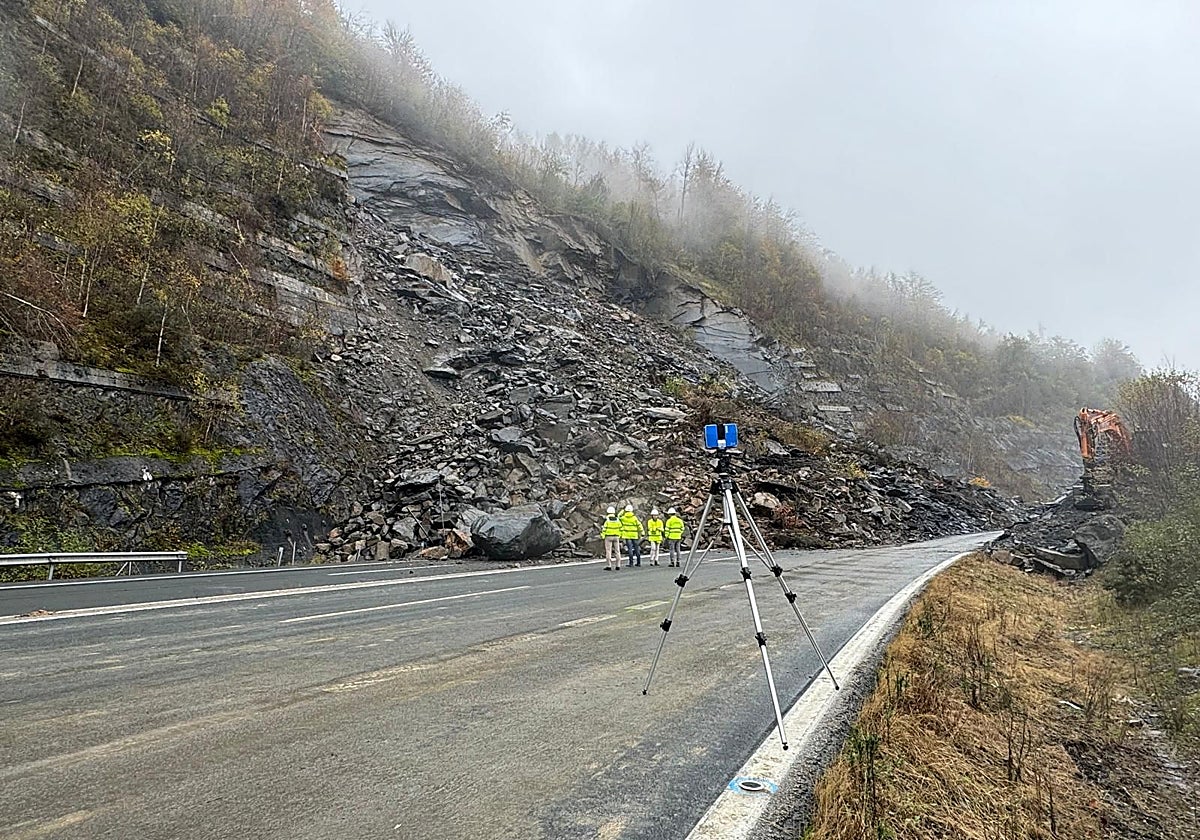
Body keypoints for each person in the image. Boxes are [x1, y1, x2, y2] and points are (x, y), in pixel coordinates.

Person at [600, 506, 623, 571]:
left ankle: (609, 565)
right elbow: (621, 528)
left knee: (608, 551)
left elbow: (604, 529)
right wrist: (620, 535)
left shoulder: (607, 521)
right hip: (616, 536)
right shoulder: (617, 520)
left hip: (608, 536)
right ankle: (618, 565)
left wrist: (602, 535)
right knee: (617, 551)